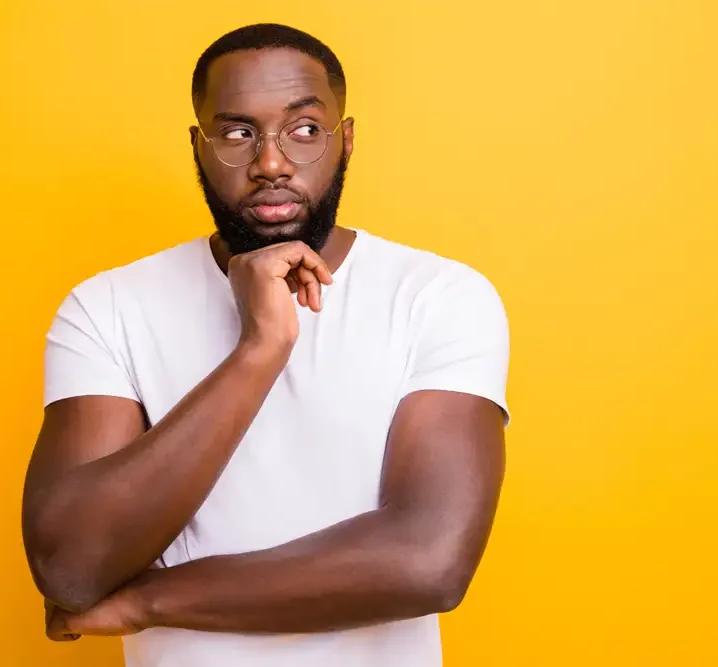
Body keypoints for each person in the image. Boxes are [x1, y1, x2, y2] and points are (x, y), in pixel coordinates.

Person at [22, 23, 510, 667]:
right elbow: (71, 566)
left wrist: (146, 602)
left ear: (347, 140)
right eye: (237, 132)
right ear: (199, 147)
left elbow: (429, 562)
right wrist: (260, 349)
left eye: (305, 130)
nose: (272, 163)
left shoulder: (438, 296)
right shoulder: (108, 306)